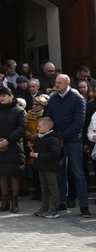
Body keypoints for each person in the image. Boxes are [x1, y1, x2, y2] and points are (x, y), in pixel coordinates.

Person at [45, 74, 91, 218]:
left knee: (78, 172)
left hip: (73, 140)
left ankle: (84, 205)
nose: (56, 84)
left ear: (68, 83)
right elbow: (48, 118)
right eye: (55, 82)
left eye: (59, 82)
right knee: (60, 172)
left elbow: (79, 122)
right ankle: (61, 203)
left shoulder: (77, 99)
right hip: (57, 140)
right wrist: (54, 137)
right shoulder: (53, 99)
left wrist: (62, 136)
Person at [0, 87, 27, 213]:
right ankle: (5, 201)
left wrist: (7, 140)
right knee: (1, 173)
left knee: (14, 174)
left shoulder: (20, 111)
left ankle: (15, 202)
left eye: (4, 95)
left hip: (14, 146)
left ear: (11, 96)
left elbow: (21, 128)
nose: (2, 98)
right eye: (0, 95)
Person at [30, 117, 62, 219]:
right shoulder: (40, 138)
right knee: (44, 187)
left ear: (47, 127)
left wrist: (38, 155)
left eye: (39, 126)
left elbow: (55, 154)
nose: (37, 128)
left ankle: (54, 208)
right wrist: (34, 153)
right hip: (41, 166)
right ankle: (44, 206)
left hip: (50, 167)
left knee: (53, 187)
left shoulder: (53, 139)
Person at [23, 95, 49, 202]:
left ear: (43, 106)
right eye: (33, 104)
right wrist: (29, 135)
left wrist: (39, 135)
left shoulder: (46, 115)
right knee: (34, 170)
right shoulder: (28, 115)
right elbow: (24, 128)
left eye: (37, 104)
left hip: (43, 144)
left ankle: (45, 193)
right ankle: (37, 192)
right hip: (31, 144)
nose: (34, 106)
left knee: (44, 171)